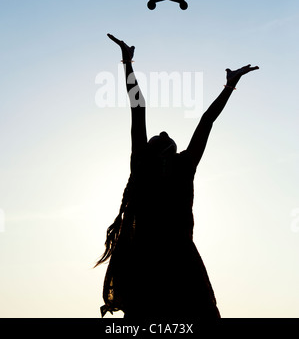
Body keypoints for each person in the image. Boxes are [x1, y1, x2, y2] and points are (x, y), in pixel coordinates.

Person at [95, 33, 259, 321]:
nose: (163, 132)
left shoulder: (183, 168)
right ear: (153, 151)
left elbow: (207, 120)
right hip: (150, 266)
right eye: (160, 136)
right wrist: (127, 63)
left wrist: (230, 85)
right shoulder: (145, 168)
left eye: (163, 135)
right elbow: (138, 108)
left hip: (180, 263)